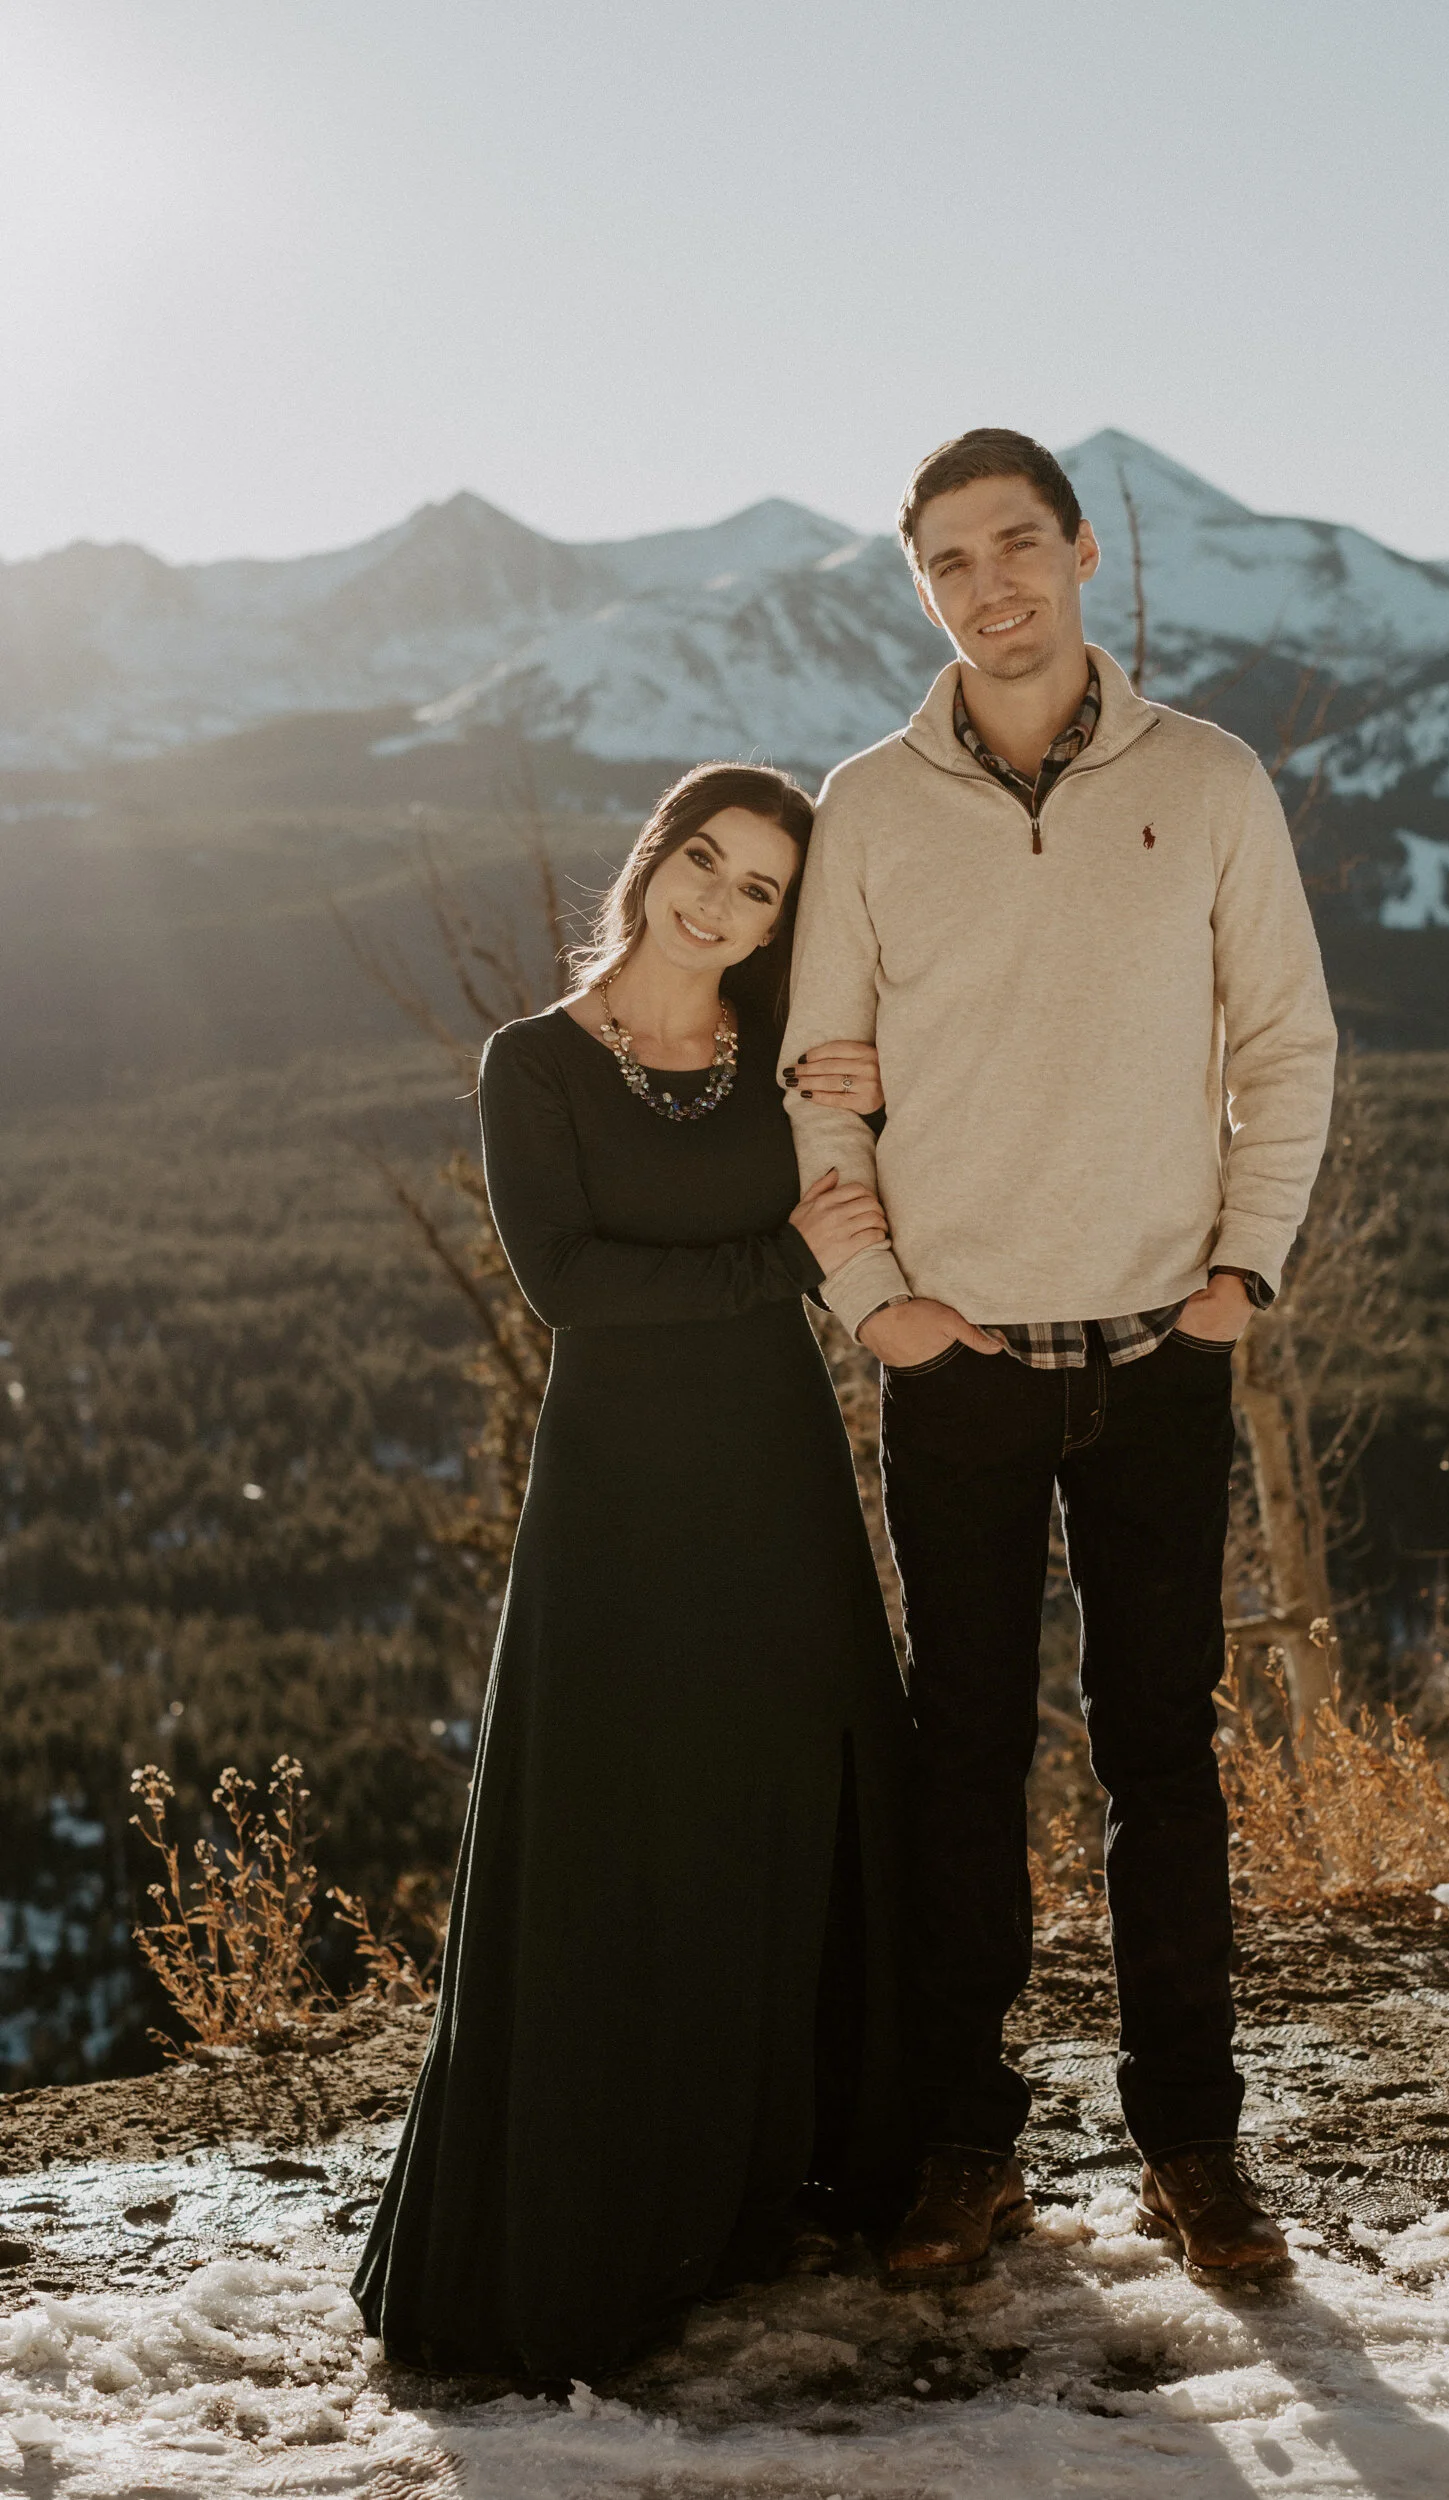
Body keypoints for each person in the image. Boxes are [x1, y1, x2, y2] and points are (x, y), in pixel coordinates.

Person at [781, 429, 1337, 2291]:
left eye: (1017, 543)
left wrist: (1241, 1277)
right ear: (921, 589)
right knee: (963, 1765)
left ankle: (1193, 2144)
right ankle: (965, 2148)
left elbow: (1290, 1044)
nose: (989, 582)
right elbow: (817, 1091)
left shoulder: (1211, 779)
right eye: (949, 561)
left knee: (1162, 1761)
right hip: (958, 1368)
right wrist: (879, 1304)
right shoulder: (866, 806)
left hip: (1168, 1351)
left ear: (1084, 554)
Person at [354, 763, 916, 2384]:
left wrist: (880, 1100)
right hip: (616, 1498)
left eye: (757, 891)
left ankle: (786, 2173)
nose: (718, 904)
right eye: (704, 863)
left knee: (796, 1800)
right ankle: (600, 2212)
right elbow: (568, 1285)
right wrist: (780, 1260)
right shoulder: (533, 1063)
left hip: (781, 1477)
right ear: (653, 860)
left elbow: (867, 1208)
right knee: (618, 1825)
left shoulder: (785, 1065)